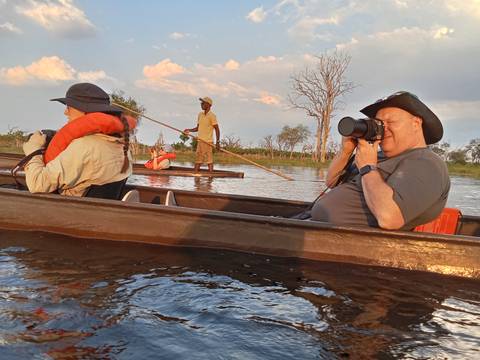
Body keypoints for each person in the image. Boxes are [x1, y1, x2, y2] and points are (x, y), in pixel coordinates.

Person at [311, 91, 450, 230]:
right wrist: (345, 152)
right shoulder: (377, 157)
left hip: (352, 244)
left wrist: (367, 168)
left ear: (415, 123)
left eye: (391, 122)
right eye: (379, 124)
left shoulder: (425, 163)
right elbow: (332, 182)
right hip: (319, 228)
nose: (384, 130)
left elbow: (389, 218)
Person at [22, 82, 136, 197]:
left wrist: (33, 151)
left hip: (67, 211)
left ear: (85, 111)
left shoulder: (84, 147)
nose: (65, 112)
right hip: (96, 210)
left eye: (69, 107)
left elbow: (36, 184)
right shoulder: (120, 145)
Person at [183, 96, 220, 172]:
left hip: (207, 142)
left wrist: (218, 142)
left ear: (209, 105)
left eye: (203, 103)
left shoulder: (212, 116)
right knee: (198, 160)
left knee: (209, 161)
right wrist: (188, 130)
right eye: (201, 103)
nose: (201, 104)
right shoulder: (200, 114)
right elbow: (197, 128)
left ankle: (210, 177)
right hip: (200, 141)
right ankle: (196, 178)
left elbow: (217, 129)